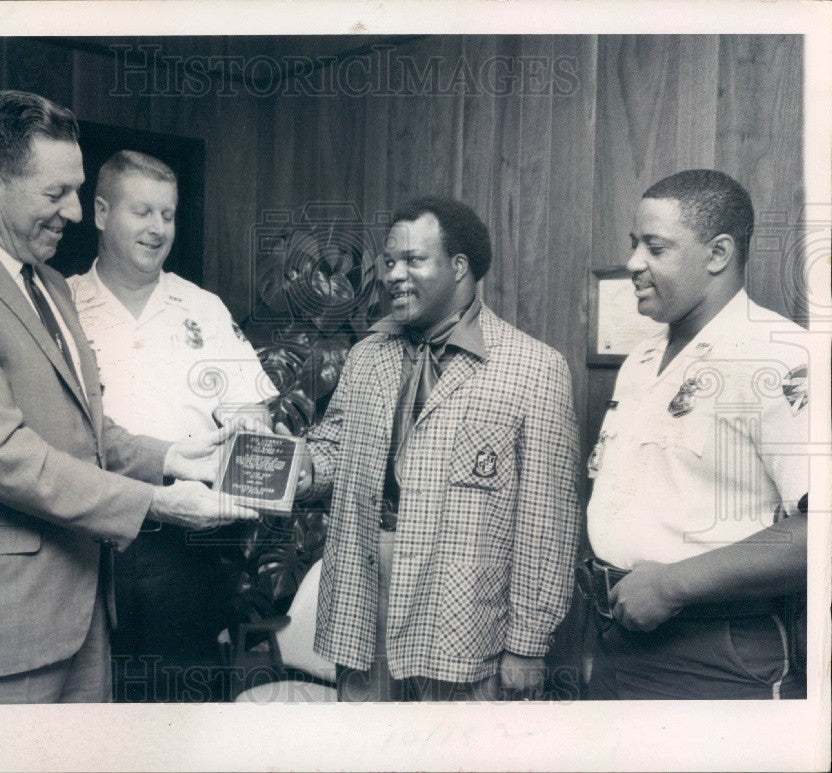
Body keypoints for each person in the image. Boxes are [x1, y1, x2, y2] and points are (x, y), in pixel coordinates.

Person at [0, 90, 255, 705]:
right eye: (56, 195)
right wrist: (158, 503)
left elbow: (86, 427)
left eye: (76, 191)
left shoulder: (50, 286)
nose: (76, 213)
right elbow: (4, 456)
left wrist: (177, 459)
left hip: (82, 621)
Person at [296, 196, 581, 701]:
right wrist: (298, 468)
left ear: (459, 267)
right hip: (365, 595)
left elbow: (547, 522)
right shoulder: (367, 357)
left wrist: (528, 645)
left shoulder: (534, 368)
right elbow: (335, 448)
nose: (393, 275)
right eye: (389, 261)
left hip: (466, 608)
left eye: (413, 260)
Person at [583, 169, 809, 699]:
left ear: (717, 254)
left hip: (713, 652)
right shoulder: (640, 360)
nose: (634, 262)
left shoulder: (780, 355)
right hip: (616, 634)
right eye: (634, 244)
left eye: (655, 247)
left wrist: (672, 585)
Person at [67, 150, 277, 685]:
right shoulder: (60, 306)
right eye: (142, 212)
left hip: (186, 548)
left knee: (182, 710)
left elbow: (251, 416)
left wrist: (256, 447)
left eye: (168, 214)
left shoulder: (202, 308)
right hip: (82, 543)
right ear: (100, 212)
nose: (158, 228)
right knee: (88, 711)